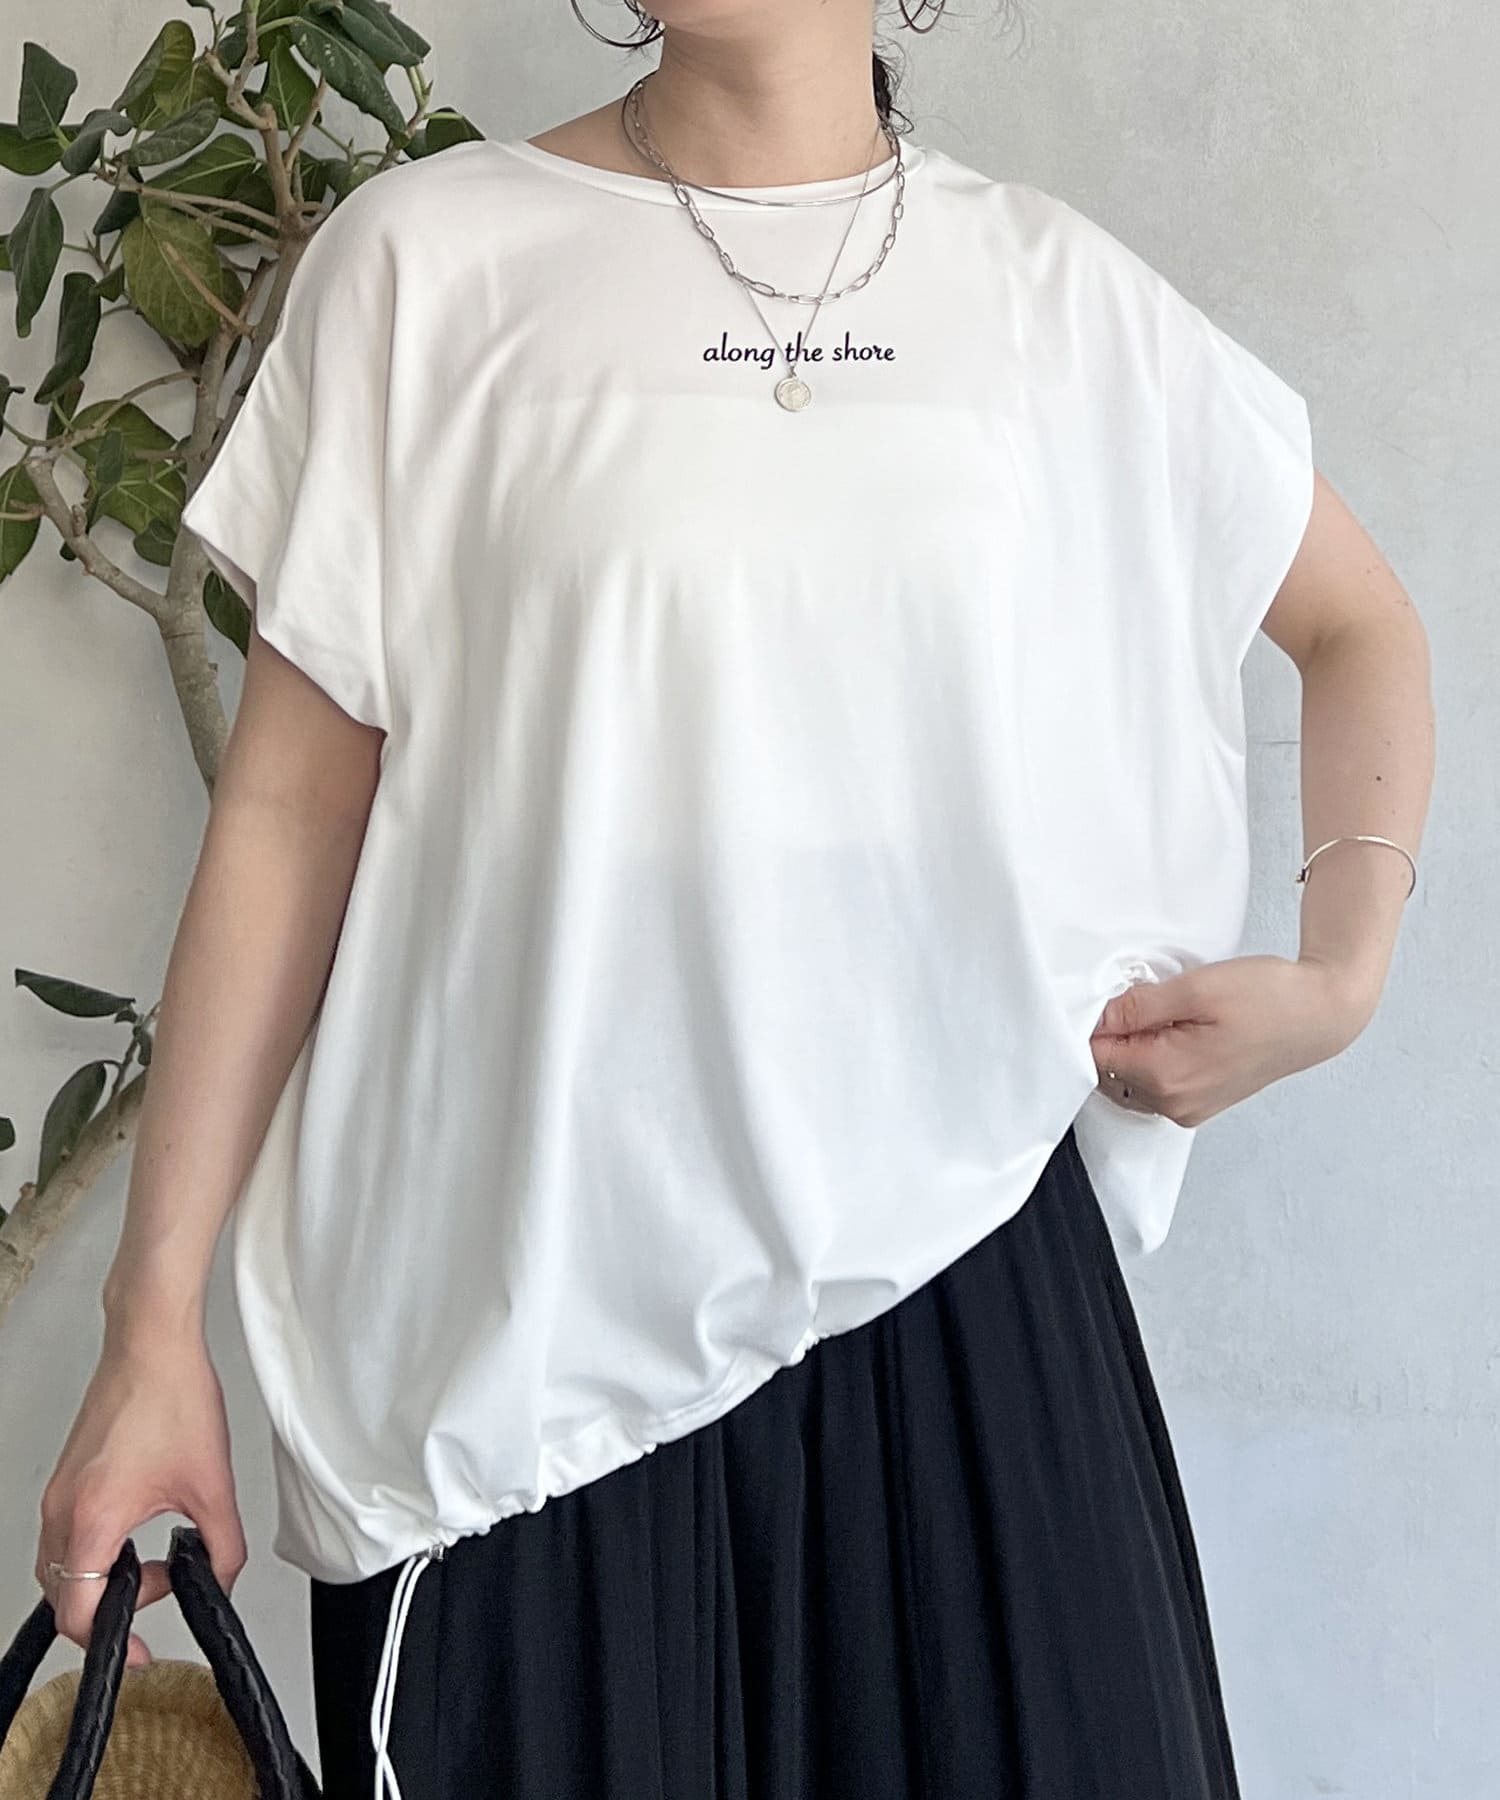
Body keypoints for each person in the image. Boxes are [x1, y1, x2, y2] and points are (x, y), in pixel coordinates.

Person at [34, 3, 1434, 1797]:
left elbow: (1359, 622)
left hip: (969, 1301)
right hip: (521, 1359)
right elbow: (289, 816)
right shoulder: (426, 264)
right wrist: (152, 1321)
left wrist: (1340, 974)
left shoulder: (1059, 299)